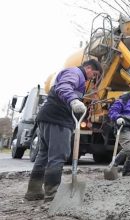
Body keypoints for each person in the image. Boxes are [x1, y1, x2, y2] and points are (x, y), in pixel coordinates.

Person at [24, 59, 103, 201]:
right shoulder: (76, 73)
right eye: (94, 74)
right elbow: (64, 86)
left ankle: (34, 191)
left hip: (48, 116)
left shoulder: (77, 76)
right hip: (58, 119)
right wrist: (73, 100)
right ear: (89, 68)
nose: (93, 78)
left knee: (43, 155)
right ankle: (52, 194)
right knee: (57, 156)